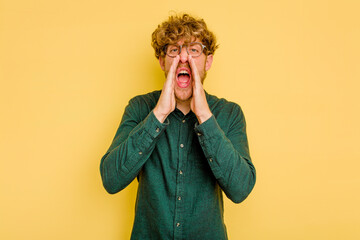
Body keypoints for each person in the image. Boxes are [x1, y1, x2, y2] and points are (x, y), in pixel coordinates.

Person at [100, 13, 256, 240]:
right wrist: (158, 114)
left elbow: (241, 189)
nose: (184, 58)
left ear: (208, 61)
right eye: (174, 50)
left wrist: (204, 115)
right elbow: (111, 179)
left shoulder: (230, 114)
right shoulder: (139, 107)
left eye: (194, 50)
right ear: (162, 61)